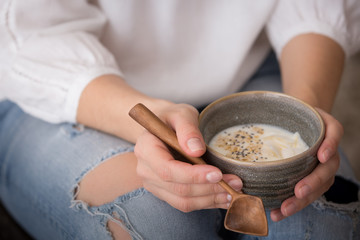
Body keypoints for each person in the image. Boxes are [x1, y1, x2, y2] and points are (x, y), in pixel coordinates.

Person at [0, 0, 359, 239]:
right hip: (65, 86)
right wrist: (150, 116)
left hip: (248, 66)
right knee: (156, 228)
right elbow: (30, 33)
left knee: (319, 227)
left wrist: (306, 113)